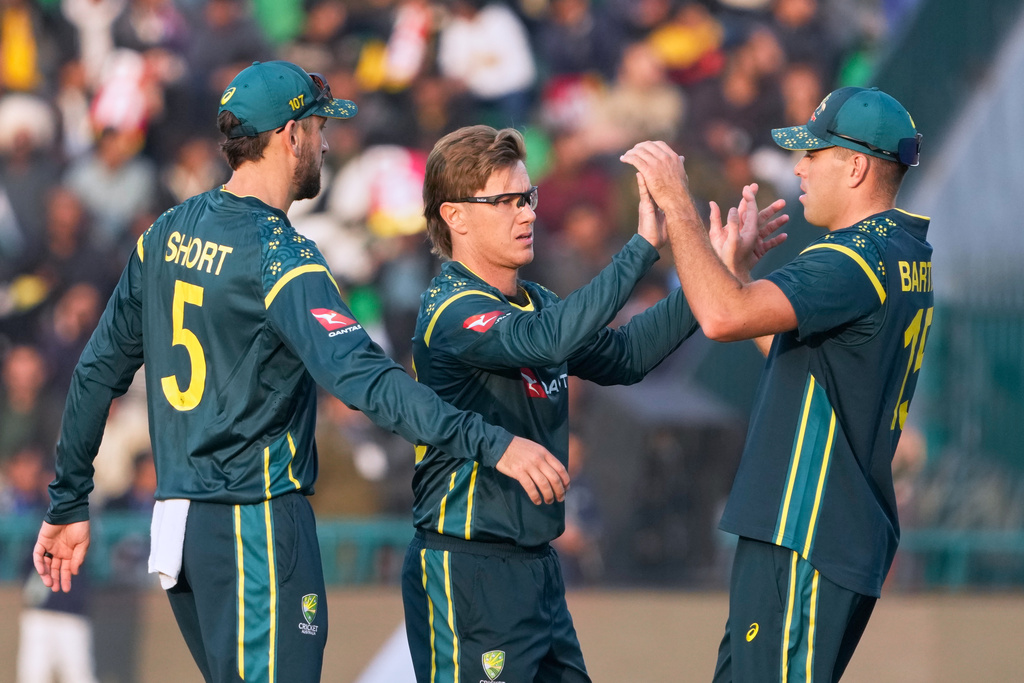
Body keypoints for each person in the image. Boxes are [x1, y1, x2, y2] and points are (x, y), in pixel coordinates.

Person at [32, 60, 569, 683]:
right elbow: (366, 379)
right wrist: (493, 442)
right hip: (253, 521)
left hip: (179, 523)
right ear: (290, 137)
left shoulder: (164, 233)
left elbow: (98, 370)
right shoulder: (279, 255)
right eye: (318, 128)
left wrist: (69, 499)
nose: (326, 142)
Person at [621, 86, 931, 681]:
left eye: (815, 152)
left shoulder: (851, 259)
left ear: (858, 165)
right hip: (821, 531)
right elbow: (800, 355)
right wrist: (736, 274)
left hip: (806, 528)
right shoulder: (898, 251)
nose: (799, 166)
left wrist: (677, 206)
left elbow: (720, 316)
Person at [401, 124, 705, 683]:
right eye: (505, 201)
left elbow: (627, 356)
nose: (527, 214)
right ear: (455, 216)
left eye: (528, 198)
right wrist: (640, 249)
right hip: (470, 568)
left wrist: (711, 277)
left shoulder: (535, 301)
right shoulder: (450, 308)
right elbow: (544, 342)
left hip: (537, 567)